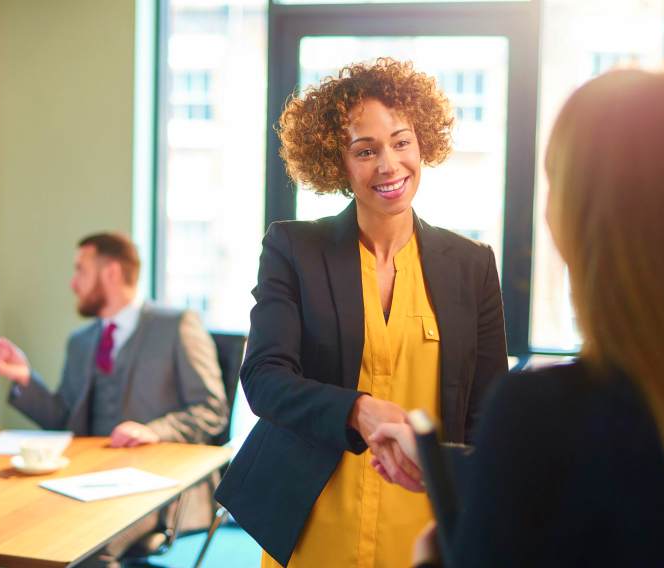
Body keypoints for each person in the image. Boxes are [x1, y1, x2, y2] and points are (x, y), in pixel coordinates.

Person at [374, 68, 664, 567]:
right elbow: (615, 491)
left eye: (555, 181)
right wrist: (449, 466)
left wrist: (433, 557)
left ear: (578, 218)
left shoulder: (538, 412)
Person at [214, 58, 508, 567]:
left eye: (401, 142)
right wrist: (357, 408)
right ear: (338, 163)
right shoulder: (294, 248)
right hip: (313, 520)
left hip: (423, 528)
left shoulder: (472, 265)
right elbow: (263, 377)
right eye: (365, 150)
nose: (389, 165)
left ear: (423, 143)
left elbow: (485, 416)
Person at [0, 232, 227, 566]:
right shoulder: (81, 341)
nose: (73, 284)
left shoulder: (177, 326)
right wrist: (25, 379)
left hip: (159, 487)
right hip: (81, 479)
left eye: (80, 270)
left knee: (84, 548)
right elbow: (63, 420)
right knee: (13, 529)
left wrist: (156, 431)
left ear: (111, 273)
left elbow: (213, 410)